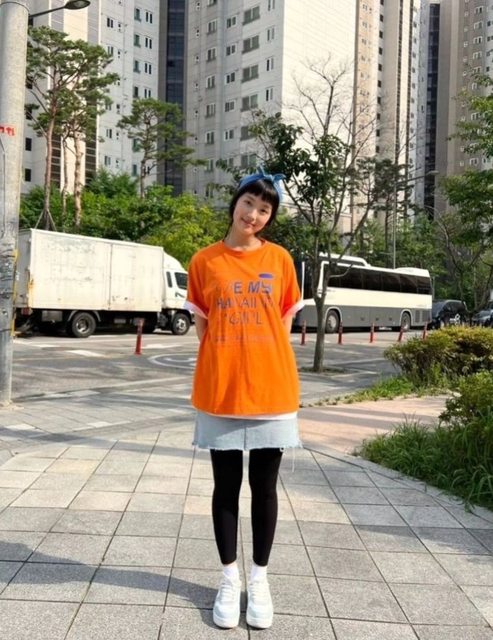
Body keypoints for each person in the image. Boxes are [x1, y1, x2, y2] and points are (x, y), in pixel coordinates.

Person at [184, 168, 303, 630]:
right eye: (248, 203)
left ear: (270, 217)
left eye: (264, 209)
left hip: (272, 387)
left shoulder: (281, 260)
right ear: (235, 202)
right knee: (226, 486)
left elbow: (283, 325)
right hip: (222, 389)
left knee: (265, 488)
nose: (253, 214)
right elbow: (204, 329)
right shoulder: (204, 261)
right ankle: (229, 579)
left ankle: (260, 579)